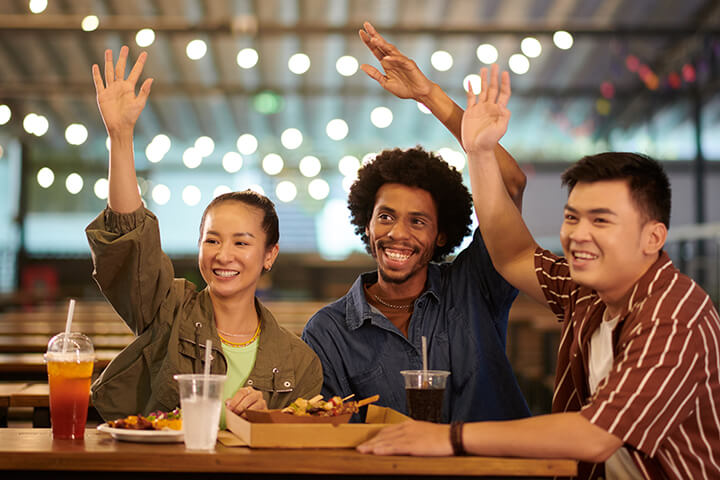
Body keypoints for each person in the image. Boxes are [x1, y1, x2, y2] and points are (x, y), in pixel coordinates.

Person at [357, 64, 720, 480]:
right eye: (572, 218)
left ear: (653, 237)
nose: (579, 235)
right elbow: (511, 253)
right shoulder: (586, 292)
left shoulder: (675, 314)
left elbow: (596, 435)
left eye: (601, 221)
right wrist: (465, 137)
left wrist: (448, 439)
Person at [301, 23, 531, 423]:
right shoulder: (330, 330)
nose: (398, 234)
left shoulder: (474, 285)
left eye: (418, 221)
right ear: (367, 225)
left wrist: (429, 96)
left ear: (442, 234)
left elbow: (511, 184)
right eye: (385, 216)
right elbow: (332, 435)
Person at [85, 46, 322, 424]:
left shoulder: (301, 363)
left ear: (269, 254)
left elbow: (303, 443)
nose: (223, 254)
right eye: (212, 240)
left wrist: (270, 421)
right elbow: (131, 238)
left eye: (241, 242)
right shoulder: (168, 310)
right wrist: (120, 137)